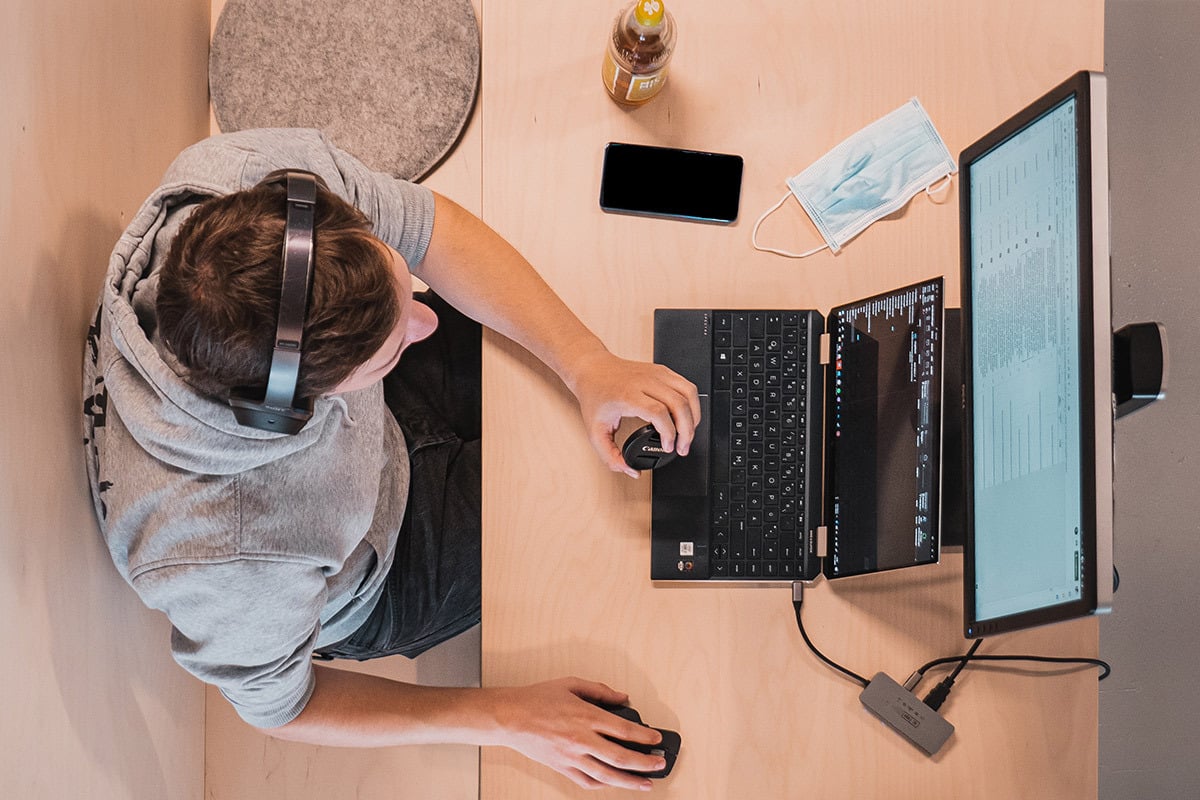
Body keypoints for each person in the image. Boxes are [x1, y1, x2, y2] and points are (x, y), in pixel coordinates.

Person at [83, 129, 700, 791]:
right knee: (604, 521)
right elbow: (284, 708)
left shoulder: (240, 177)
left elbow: (428, 229)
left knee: (636, 402)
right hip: (386, 563)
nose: (426, 324)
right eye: (392, 344)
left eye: (400, 287)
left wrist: (587, 363)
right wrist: (505, 716)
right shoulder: (228, 555)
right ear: (300, 407)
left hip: (375, 432)